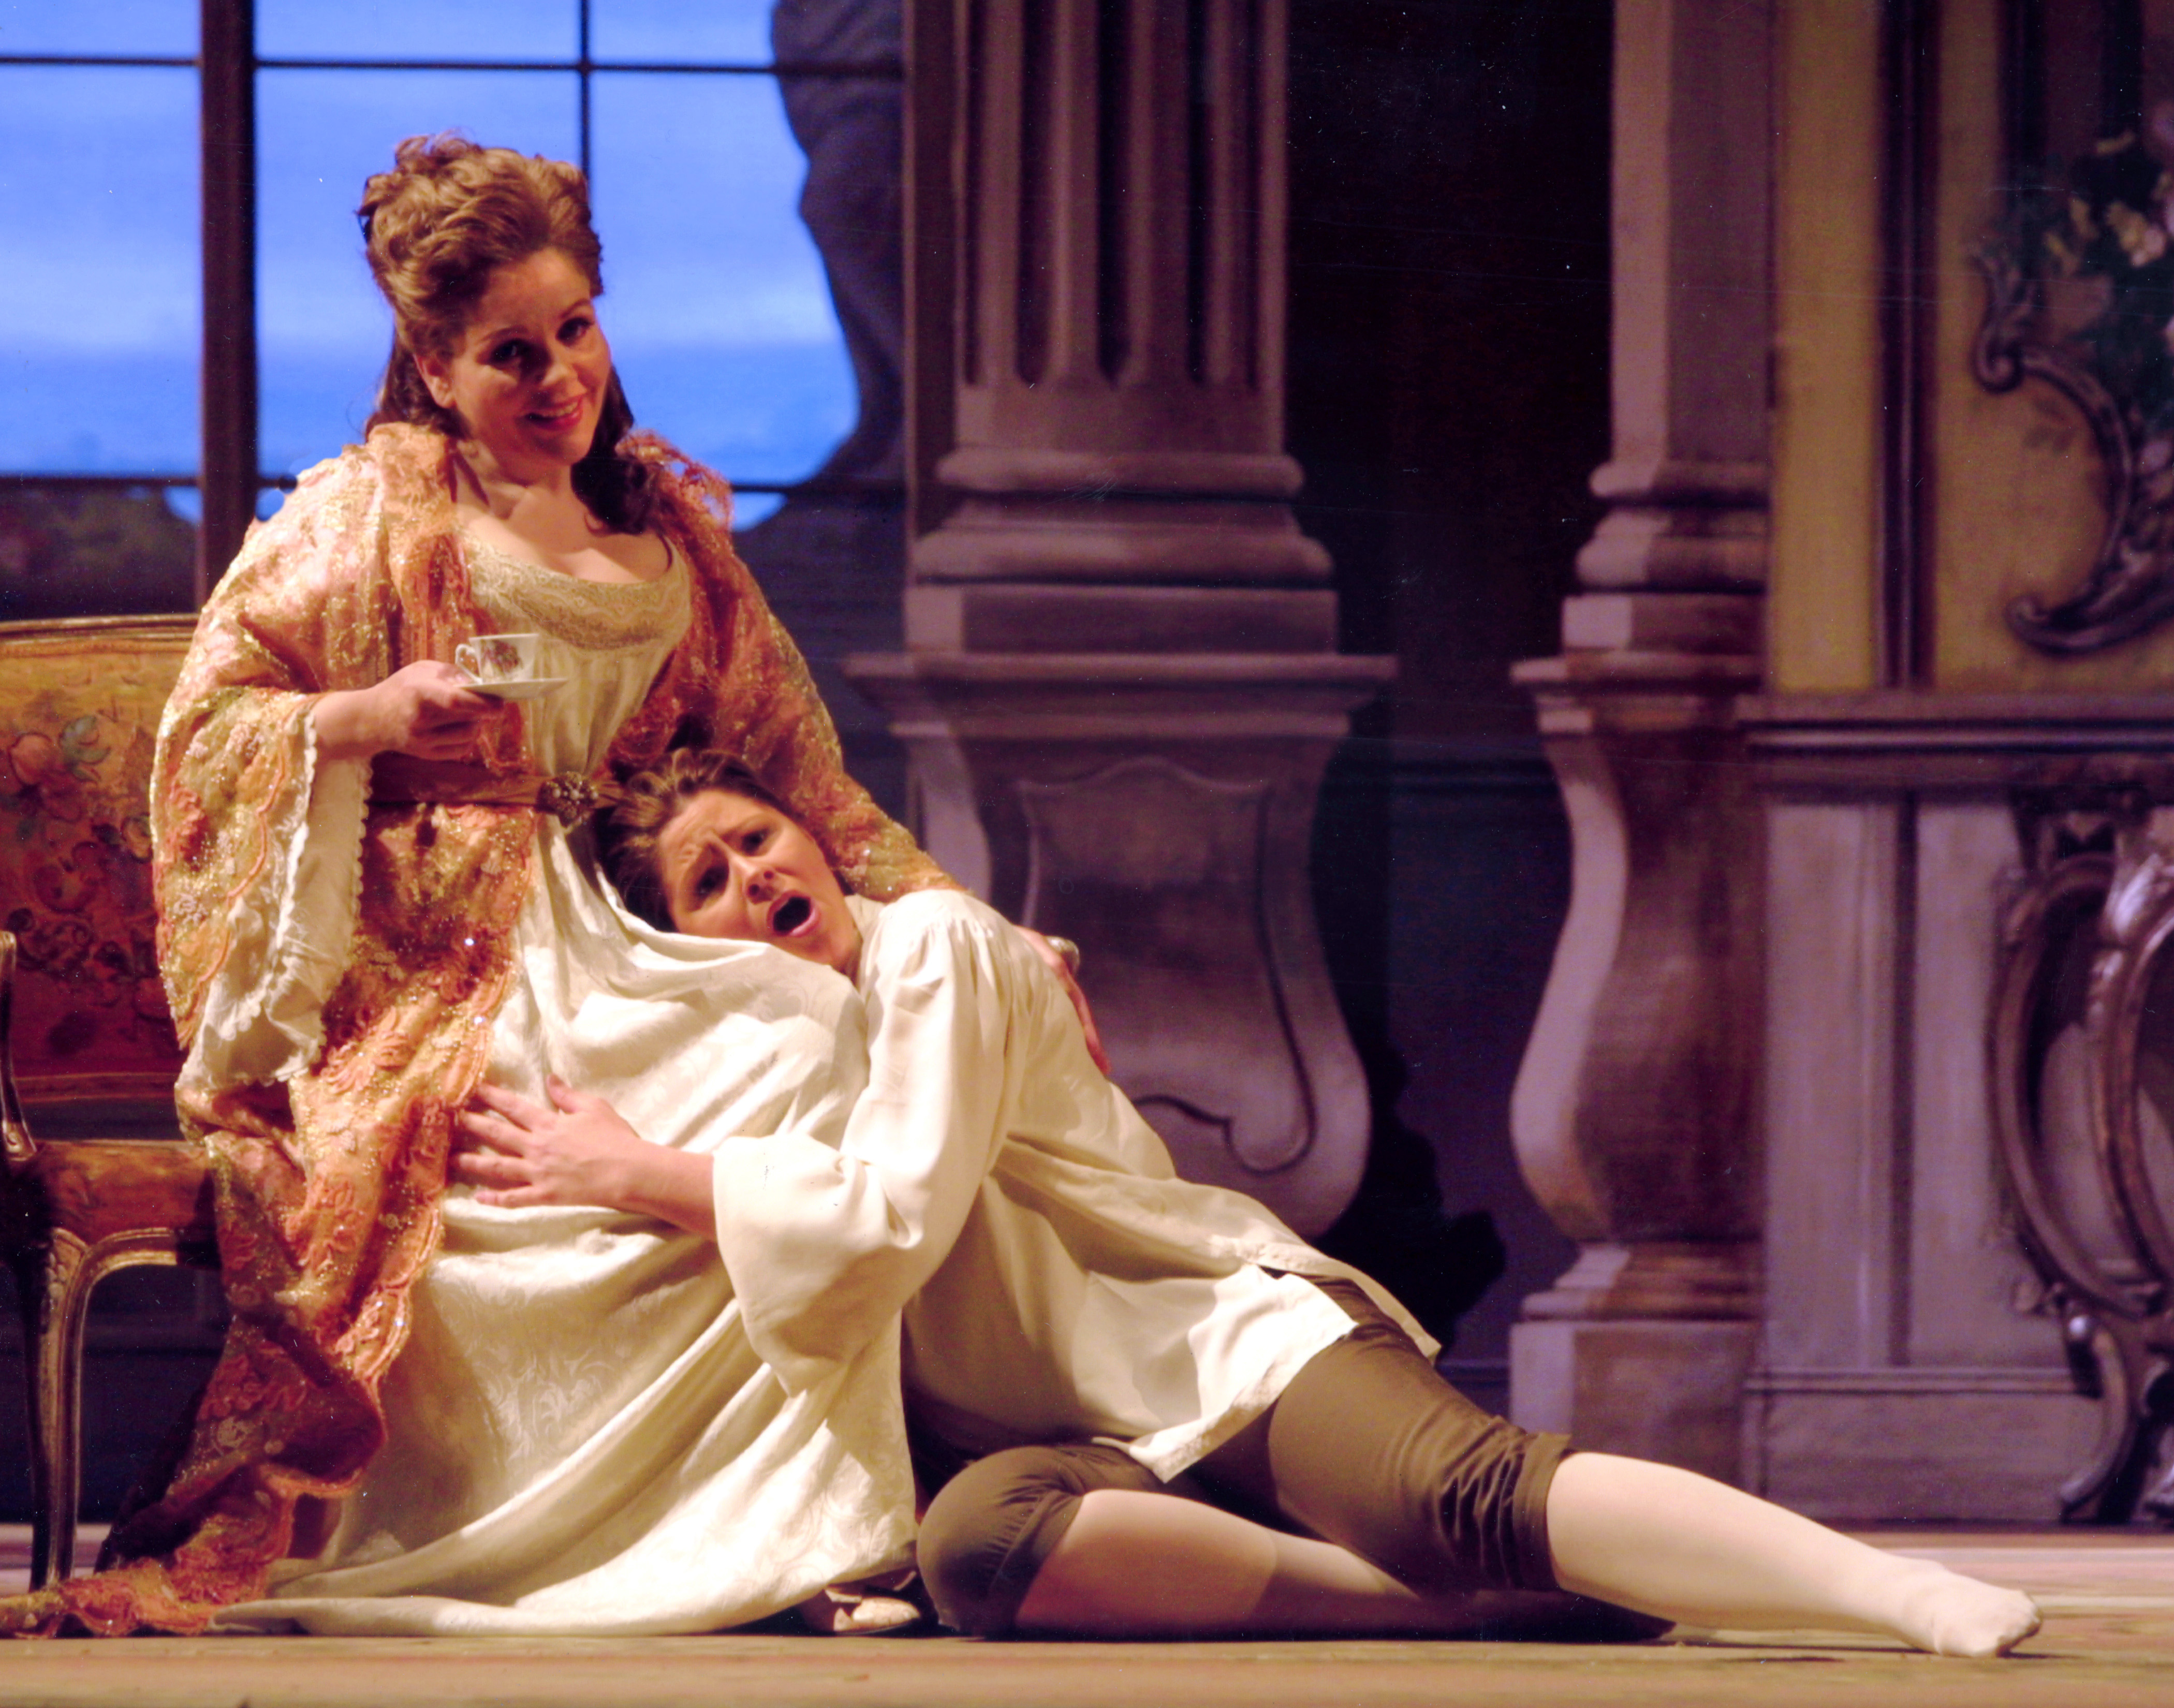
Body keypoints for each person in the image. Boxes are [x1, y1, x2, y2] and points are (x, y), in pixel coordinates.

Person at [1, 135, 962, 1640]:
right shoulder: (364, 516)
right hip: (442, 959)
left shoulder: (672, 539)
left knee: (811, 1041)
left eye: (576, 330)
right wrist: (361, 720)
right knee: (558, 1148)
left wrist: (958, 916)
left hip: (637, 934)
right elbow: (208, 725)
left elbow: (806, 777)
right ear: (436, 367)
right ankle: (549, 1543)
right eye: (513, 353)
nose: (560, 376)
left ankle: (788, 1533)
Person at [451, 750, 2044, 1657]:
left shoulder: (936, 945)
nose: (755, 877)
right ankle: (1459, 1615)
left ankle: (1891, 1591)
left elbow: (891, 1216)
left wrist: (644, 1174)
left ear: (813, 833)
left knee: (1460, 1489)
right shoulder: (770, 1061)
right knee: (977, 1550)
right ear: (689, 947)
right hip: (1088, 1439)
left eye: (756, 838)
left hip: (1210, 1343)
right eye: (712, 883)